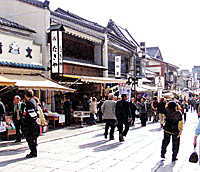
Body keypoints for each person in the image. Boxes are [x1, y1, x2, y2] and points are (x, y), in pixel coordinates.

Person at [22, 90, 40, 158]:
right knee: (33, 138)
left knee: (30, 139)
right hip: (34, 123)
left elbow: (31, 114)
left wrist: (25, 115)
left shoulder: (29, 102)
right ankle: (34, 152)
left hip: (30, 124)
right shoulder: (34, 100)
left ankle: (33, 153)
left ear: (26, 95)